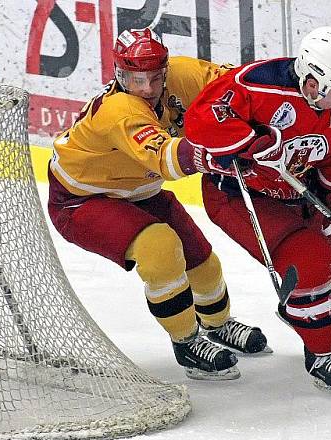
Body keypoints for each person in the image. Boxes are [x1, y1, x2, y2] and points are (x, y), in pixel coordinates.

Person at [48, 28, 270, 381]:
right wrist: (214, 155)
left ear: (165, 69)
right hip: (81, 199)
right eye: (137, 79)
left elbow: (240, 85)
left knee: (202, 261)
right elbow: (165, 158)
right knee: (161, 248)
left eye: (154, 78)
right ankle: (186, 342)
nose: (148, 89)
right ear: (119, 75)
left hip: (140, 190)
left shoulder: (181, 74)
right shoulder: (119, 110)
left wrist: (276, 101)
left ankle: (218, 324)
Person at [184, 26, 331, 397]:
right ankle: (324, 355)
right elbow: (200, 120)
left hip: (297, 193)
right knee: (310, 263)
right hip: (237, 194)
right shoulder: (258, 85)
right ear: (311, 80)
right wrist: (252, 143)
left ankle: (302, 310)